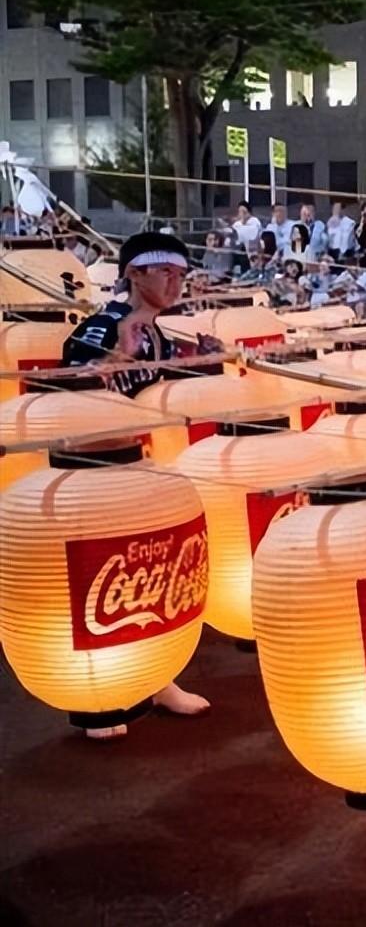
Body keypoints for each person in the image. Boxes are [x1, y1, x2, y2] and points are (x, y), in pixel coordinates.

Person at [61, 232, 215, 737]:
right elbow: (70, 392)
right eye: (165, 272)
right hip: (95, 477)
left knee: (155, 575)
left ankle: (157, 675)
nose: (176, 281)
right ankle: (103, 695)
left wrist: (203, 365)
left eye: (180, 273)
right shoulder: (100, 327)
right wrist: (119, 357)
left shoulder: (162, 335)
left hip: (143, 468)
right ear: (134, 274)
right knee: (105, 582)